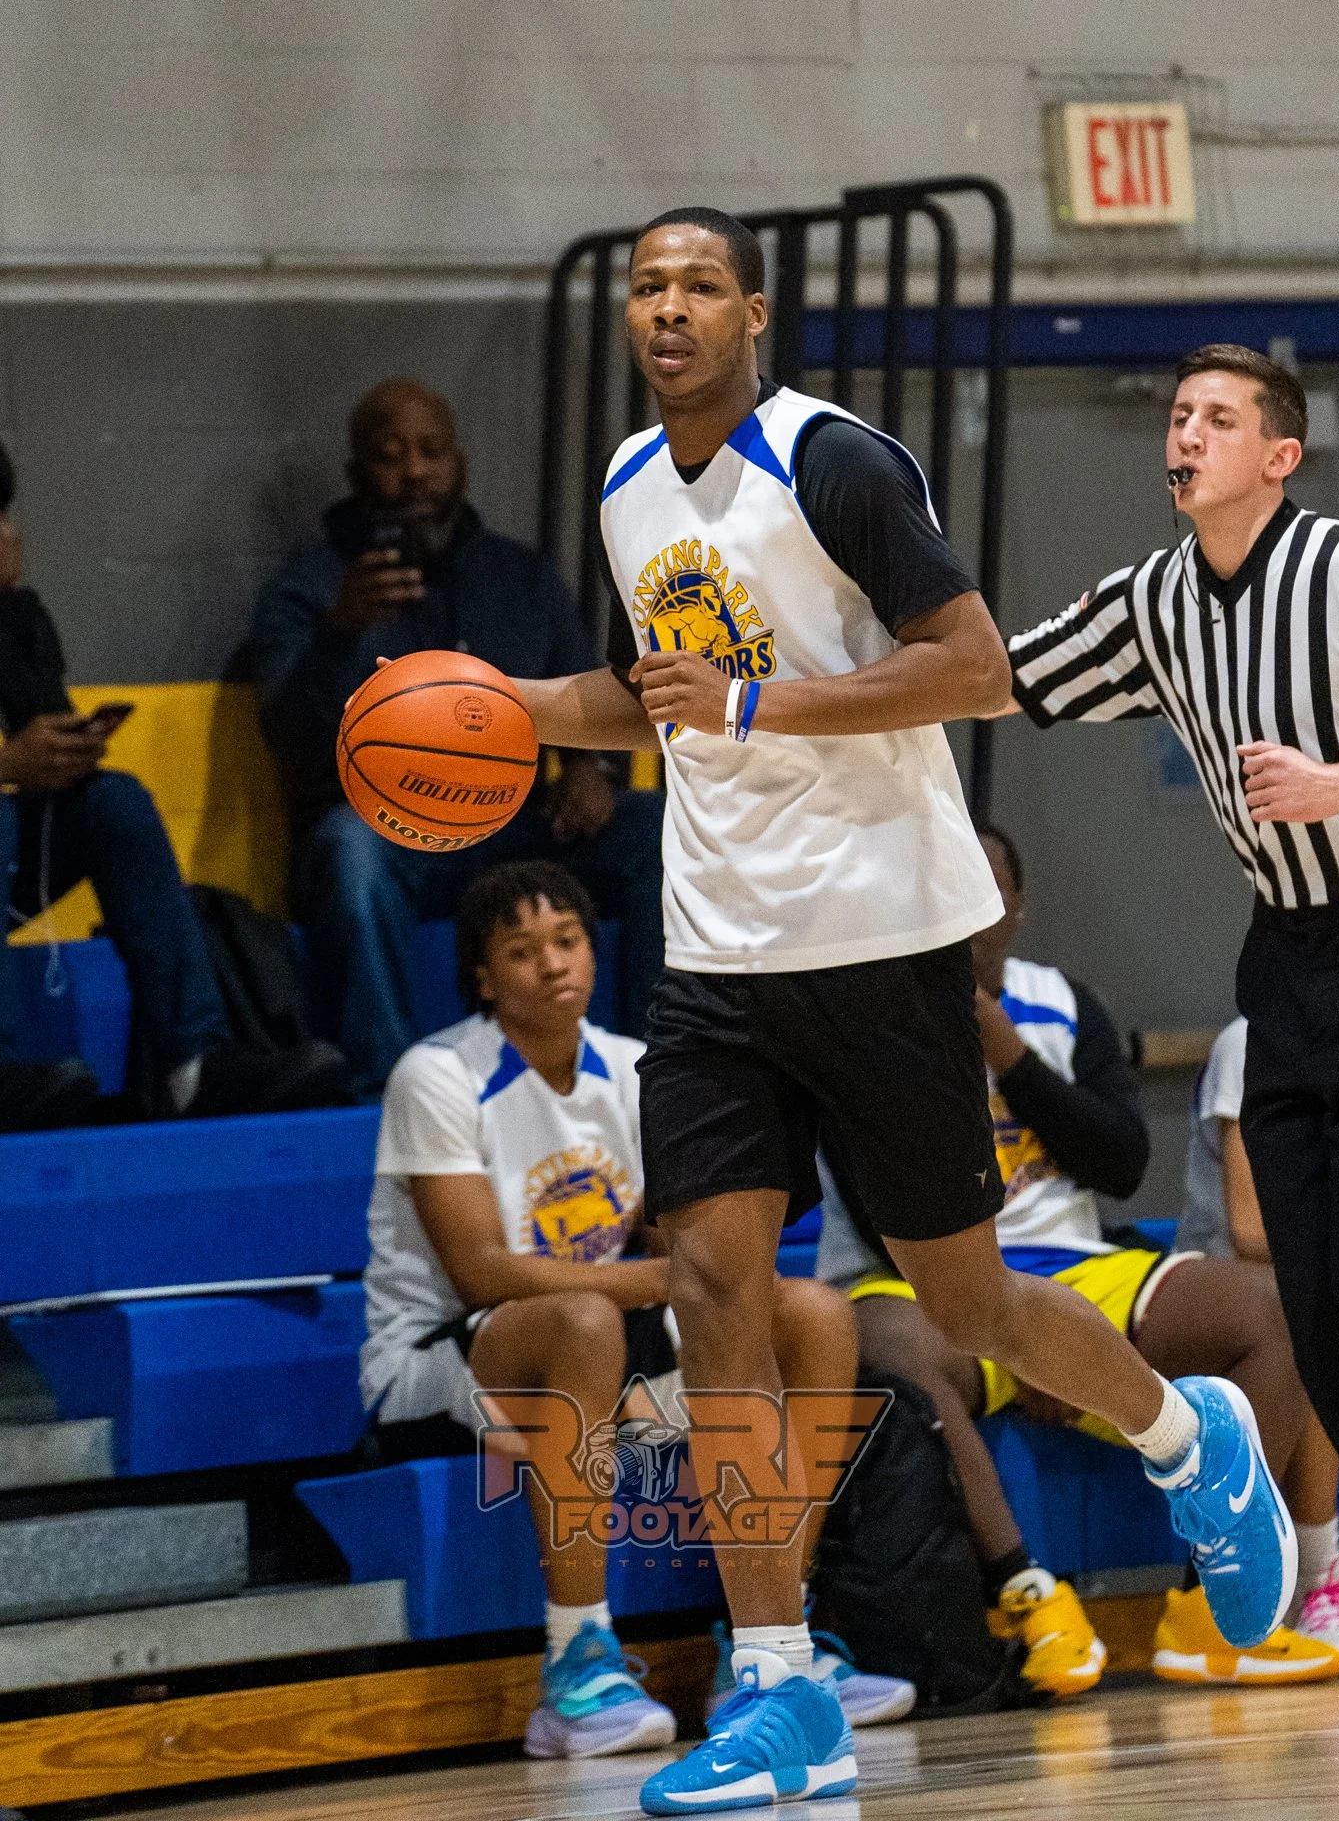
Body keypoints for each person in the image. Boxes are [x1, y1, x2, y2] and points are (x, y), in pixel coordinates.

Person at [511, 210, 1296, 1816]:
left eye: (699, 286)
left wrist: (759, 701)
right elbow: (651, 696)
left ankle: (1182, 1435)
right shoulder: (625, 484)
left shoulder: (835, 464)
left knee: (968, 1303)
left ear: (754, 313)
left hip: (880, 940)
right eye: (648, 288)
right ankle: (780, 1686)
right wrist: (497, 707)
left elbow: (973, 666)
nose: (667, 309)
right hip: (714, 957)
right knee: (716, 1295)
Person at [359, 860, 901, 1759]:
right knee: (584, 1321)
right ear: (483, 978)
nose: (552, 963)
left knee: (812, 1314)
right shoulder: (438, 1074)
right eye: (521, 951)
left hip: (604, 1336)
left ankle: (773, 1648)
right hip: (438, 1356)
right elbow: (480, 1273)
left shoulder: (629, 1066)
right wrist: (667, 1283)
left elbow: (671, 1234)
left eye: (567, 940)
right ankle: (575, 1663)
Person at [820, 824, 1339, 1688]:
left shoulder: (1064, 1003)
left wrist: (1005, 1051)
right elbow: (874, 1203)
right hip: (923, 1281)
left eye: (984, 891)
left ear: (1015, 908)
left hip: (1076, 1264)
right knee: (886, 1345)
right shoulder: (866, 1018)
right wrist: (1021, 1333)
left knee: (1275, 1307)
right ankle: (1028, 1595)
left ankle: (1210, 1608)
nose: (964, 913)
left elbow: (1119, 1161)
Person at [1007, 342, 1339, 1501]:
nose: (1187, 434)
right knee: (1316, 1306)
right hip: (1286, 956)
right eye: (1178, 416)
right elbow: (1002, 678)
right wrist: (784, 701)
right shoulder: (1152, 600)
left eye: (1217, 417)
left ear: (1281, 454)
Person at [249, 378, 665, 1091]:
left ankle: (657, 1067)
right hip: (387, 828)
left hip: (516, 821)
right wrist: (338, 633)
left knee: (659, 827)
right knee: (350, 853)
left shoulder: (519, 575)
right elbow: (285, 732)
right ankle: (387, 1088)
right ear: (356, 473)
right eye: (390, 456)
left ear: (459, 463)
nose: (414, 471)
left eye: (431, 451)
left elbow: (590, 695)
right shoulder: (311, 584)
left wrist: (590, 769)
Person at [0, 441, 345, 1130]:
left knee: (113, 802)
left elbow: (40, 727)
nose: (9, 534)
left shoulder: (16, 614)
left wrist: (62, 744)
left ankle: (192, 1065)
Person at [1179, 1015, 1339, 1660]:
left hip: (1317, 1277)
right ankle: (1318, 1576)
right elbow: (1252, 1231)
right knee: (1315, 1310)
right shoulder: (1250, 1042)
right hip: (1216, 1285)